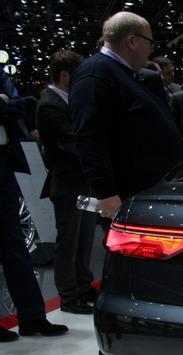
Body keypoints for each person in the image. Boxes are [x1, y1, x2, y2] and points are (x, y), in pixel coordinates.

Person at [69, 11, 183, 219]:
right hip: (129, 195)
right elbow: (89, 136)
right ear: (132, 41)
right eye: (149, 42)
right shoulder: (95, 74)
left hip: (150, 191)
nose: (151, 49)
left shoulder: (124, 74)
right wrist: (106, 192)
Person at [0, 69, 68, 341]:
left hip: (3, 163)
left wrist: (7, 103)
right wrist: (3, 103)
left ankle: (32, 317)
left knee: (14, 244)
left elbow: (22, 105)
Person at [36, 50, 97, 314]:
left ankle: (84, 287)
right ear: (64, 75)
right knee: (69, 242)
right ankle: (69, 297)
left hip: (84, 182)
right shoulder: (50, 105)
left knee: (84, 240)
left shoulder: (69, 101)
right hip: (68, 183)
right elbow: (73, 141)